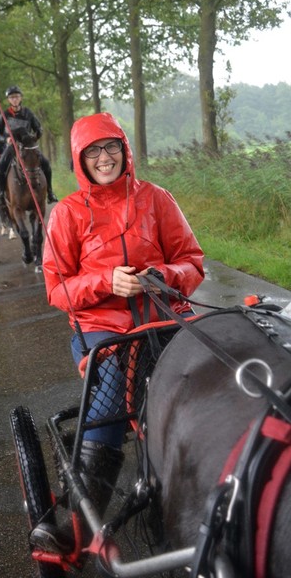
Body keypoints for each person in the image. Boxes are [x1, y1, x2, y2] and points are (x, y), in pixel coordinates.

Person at [31, 112, 205, 553]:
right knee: (109, 403)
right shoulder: (67, 214)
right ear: (79, 159)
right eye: (93, 151)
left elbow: (192, 262)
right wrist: (106, 282)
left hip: (164, 318)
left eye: (111, 147)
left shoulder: (157, 199)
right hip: (101, 331)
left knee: (206, 385)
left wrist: (160, 275)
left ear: (124, 150)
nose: (104, 158)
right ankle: (79, 528)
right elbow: (57, 289)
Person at [0, 85, 58, 205]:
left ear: (20, 98)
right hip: (12, 147)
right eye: (12, 97)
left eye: (17, 97)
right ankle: (1, 195)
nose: (14, 99)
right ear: (8, 100)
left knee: (46, 164)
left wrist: (35, 137)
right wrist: (6, 139)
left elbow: (39, 128)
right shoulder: (4, 115)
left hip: (28, 147)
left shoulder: (28, 113)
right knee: (0, 168)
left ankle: (50, 192)